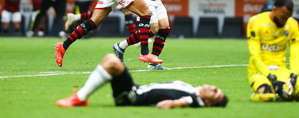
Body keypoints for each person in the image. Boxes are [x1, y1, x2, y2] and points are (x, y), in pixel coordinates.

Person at [56, 53, 228, 108]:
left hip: (134, 97)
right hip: (136, 90)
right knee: (111, 60)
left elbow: (189, 101)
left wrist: (175, 104)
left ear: (208, 103)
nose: (212, 87)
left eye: (215, 92)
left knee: (112, 61)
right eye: (216, 87)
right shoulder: (190, 88)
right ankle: (82, 98)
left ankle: (80, 97)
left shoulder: (194, 98)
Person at [247, 0, 299, 102]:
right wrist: (271, 78)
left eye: (288, 17)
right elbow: (255, 56)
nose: (285, 21)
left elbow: (295, 55)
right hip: (259, 73)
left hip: (282, 72)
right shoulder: (255, 22)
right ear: (274, 9)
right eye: (283, 17)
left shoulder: (292, 24)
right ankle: (255, 94)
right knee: (267, 97)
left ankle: (286, 93)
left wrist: (294, 76)